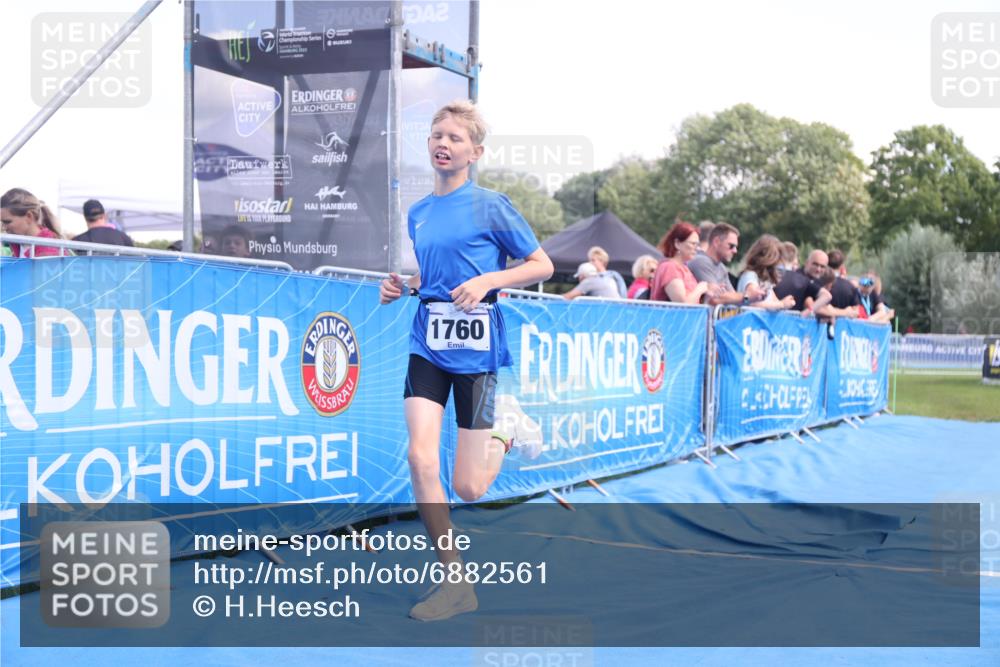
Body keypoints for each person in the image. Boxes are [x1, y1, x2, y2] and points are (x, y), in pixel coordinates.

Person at [378, 101, 553, 622]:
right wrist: (402, 286)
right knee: (420, 458)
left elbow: (541, 264)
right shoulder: (418, 213)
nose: (443, 144)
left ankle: (506, 430)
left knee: (469, 487)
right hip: (428, 344)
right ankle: (455, 581)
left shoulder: (492, 206)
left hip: (477, 350)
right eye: (437, 135)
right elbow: (432, 278)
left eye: (455, 138)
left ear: (474, 152)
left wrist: (488, 281)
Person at [687, 222, 749, 306]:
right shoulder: (700, 262)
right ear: (716, 242)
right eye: (731, 246)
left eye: (736, 247)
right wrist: (748, 296)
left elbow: (733, 296)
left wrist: (744, 297)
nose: (735, 251)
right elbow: (716, 298)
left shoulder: (722, 268)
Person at [650, 222, 709, 304]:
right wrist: (700, 289)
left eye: (697, 244)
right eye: (693, 244)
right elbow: (682, 305)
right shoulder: (669, 267)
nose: (697, 248)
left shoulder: (684, 268)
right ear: (677, 243)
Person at [736, 235, 796, 310]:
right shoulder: (750, 276)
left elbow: (775, 303)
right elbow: (752, 303)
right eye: (776, 257)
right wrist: (782, 304)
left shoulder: (766, 283)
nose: (778, 263)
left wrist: (785, 303)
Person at [0, 188, 65, 257]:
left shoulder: (50, 251)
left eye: (7, 222)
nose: (3, 227)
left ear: (29, 216)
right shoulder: (17, 244)